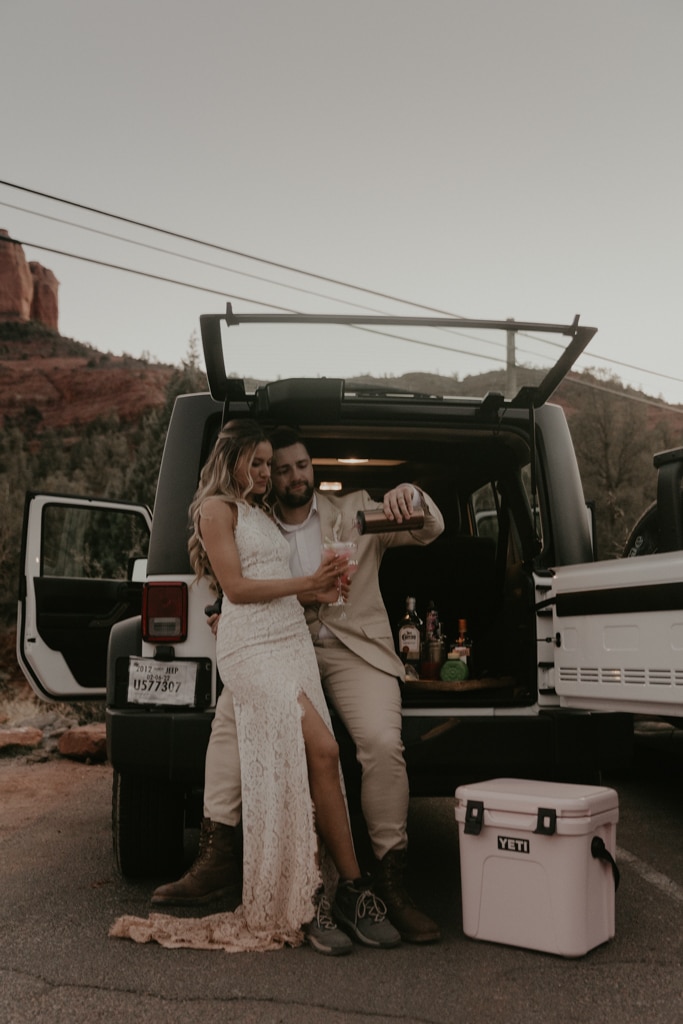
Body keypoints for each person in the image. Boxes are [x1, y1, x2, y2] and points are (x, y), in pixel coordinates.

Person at [111, 420, 400, 955]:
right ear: (233, 458)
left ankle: (351, 891)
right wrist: (307, 583)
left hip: (291, 637)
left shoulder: (261, 512)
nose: (267, 473)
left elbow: (273, 584)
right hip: (252, 647)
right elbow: (239, 589)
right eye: (259, 463)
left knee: (318, 759)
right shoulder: (214, 509)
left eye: (272, 464)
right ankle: (303, 898)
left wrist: (323, 589)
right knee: (316, 748)